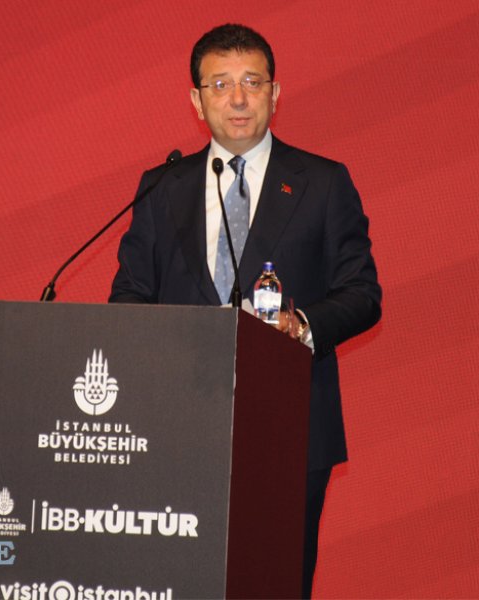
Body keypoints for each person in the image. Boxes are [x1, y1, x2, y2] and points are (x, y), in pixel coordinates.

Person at [109, 23, 381, 598]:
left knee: (273, 585)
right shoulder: (162, 187)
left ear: (275, 94)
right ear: (196, 100)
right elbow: (129, 296)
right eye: (221, 84)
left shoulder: (323, 183)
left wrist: (300, 327)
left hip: (289, 428)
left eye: (252, 82)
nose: (237, 98)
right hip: (175, 428)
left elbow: (362, 293)